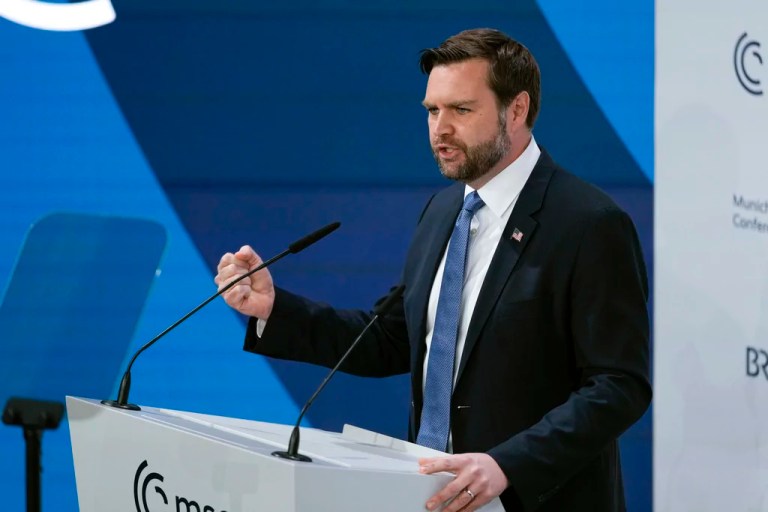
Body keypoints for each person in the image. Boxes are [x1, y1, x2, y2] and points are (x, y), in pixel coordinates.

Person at [215, 28, 651, 512]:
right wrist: (273, 308)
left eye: (461, 110)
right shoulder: (443, 211)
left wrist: (508, 465)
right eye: (431, 110)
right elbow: (392, 339)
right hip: (433, 496)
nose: (440, 129)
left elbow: (619, 385)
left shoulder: (588, 222)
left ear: (517, 109)